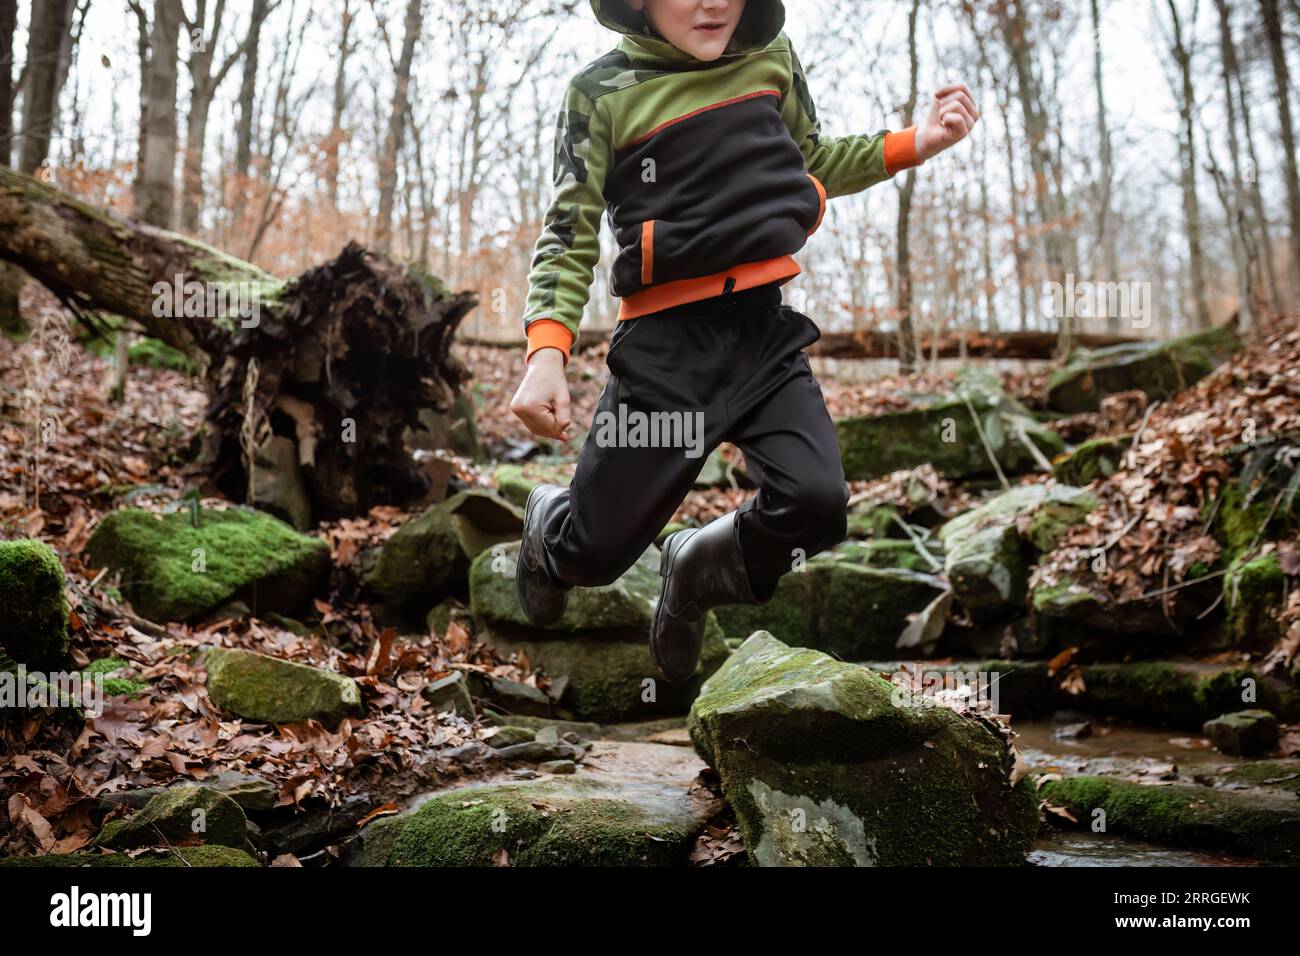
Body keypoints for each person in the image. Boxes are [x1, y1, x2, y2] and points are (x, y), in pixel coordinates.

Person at [510, 0, 979, 683]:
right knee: (593, 556)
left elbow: (812, 158)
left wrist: (917, 141)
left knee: (816, 502)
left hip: (762, 335)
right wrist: (546, 353)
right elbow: (569, 229)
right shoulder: (601, 92)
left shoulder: (771, 59)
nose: (712, 4)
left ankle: (696, 566)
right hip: (664, 352)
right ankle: (549, 524)